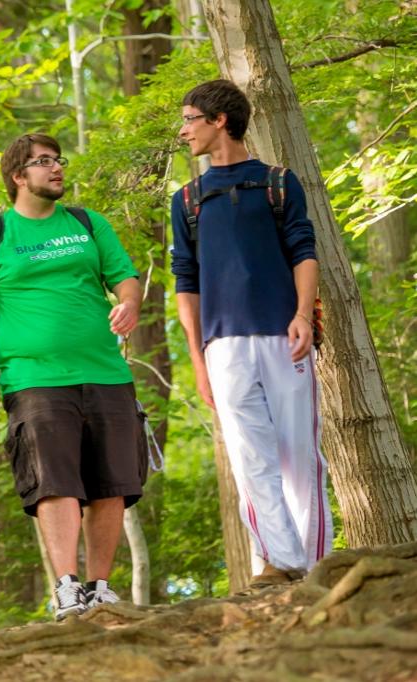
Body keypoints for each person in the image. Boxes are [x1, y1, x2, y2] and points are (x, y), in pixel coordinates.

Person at [0, 133, 144, 621]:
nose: (56, 168)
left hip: (105, 370)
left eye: (58, 160)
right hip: (34, 378)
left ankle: (101, 589)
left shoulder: (87, 223)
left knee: (112, 481)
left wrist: (128, 302)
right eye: (43, 162)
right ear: (19, 176)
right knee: (54, 482)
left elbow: (124, 277)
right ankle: (66, 587)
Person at [170, 79, 332, 587]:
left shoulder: (279, 182)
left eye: (190, 118)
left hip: (285, 338)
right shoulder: (188, 199)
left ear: (219, 120)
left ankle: (315, 570)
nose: (183, 131)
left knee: (300, 459)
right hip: (223, 347)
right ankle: (281, 566)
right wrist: (199, 361)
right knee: (250, 460)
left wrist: (303, 315)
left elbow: (304, 252)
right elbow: (186, 282)